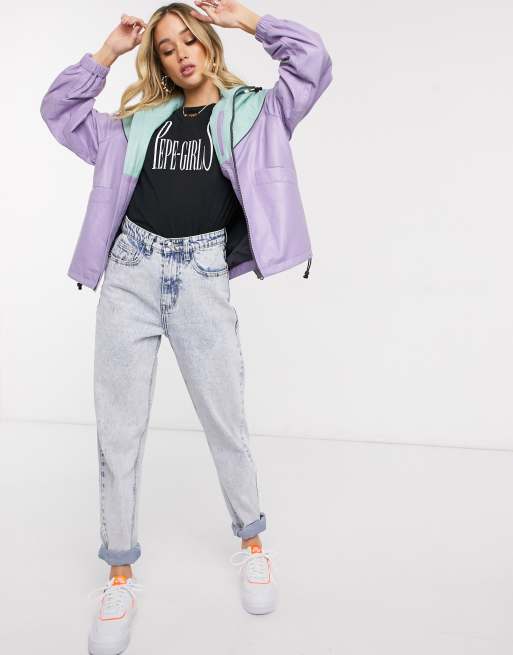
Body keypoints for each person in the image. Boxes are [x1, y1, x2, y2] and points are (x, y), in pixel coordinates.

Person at [40, 2, 332, 653]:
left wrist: (249, 22)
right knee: (119, 430)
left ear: (208, 42)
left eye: (189, 41)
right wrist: (107, 52)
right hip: (130, 274)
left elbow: (313, 63)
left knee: (225, 419)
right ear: (159, 61)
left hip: (201, 277)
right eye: (167, 48)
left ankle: (251, 543)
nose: (181, 55)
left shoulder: (255, 114)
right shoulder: (133, 125)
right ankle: (119, 576)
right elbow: (58, 110)